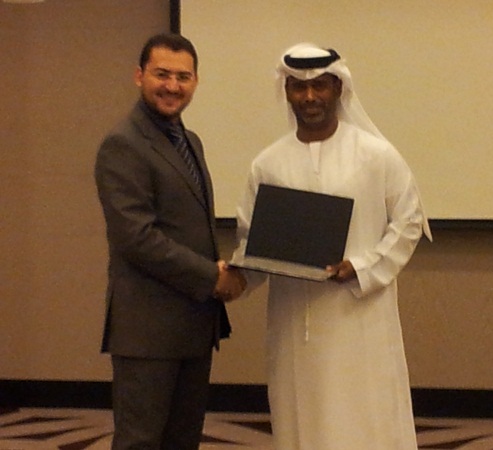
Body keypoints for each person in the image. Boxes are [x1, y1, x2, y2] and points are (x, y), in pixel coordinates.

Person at [233, 43, 432, 450]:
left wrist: (362, 267)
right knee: (302, 417)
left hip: (360, 318)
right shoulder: (268, 164)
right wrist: (231, 277)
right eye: (298, 87)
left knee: (365, 419)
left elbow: (409, 221)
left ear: (338, 88)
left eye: (320, 86)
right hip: (295, 324)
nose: (309, 97)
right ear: (286, 91)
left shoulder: (377, 155)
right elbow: (253, 241)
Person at [94, 33, 246, 450]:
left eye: (183, 77)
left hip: (192, 324)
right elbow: (136, 238)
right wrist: (210, 277)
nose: (172, 86)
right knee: (140, 442)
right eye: (162, 74)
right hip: (147, 332)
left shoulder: (189, 141)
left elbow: (187, 226)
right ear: (139, 76)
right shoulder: (123, 144)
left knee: (182, 441)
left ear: (196, 81)